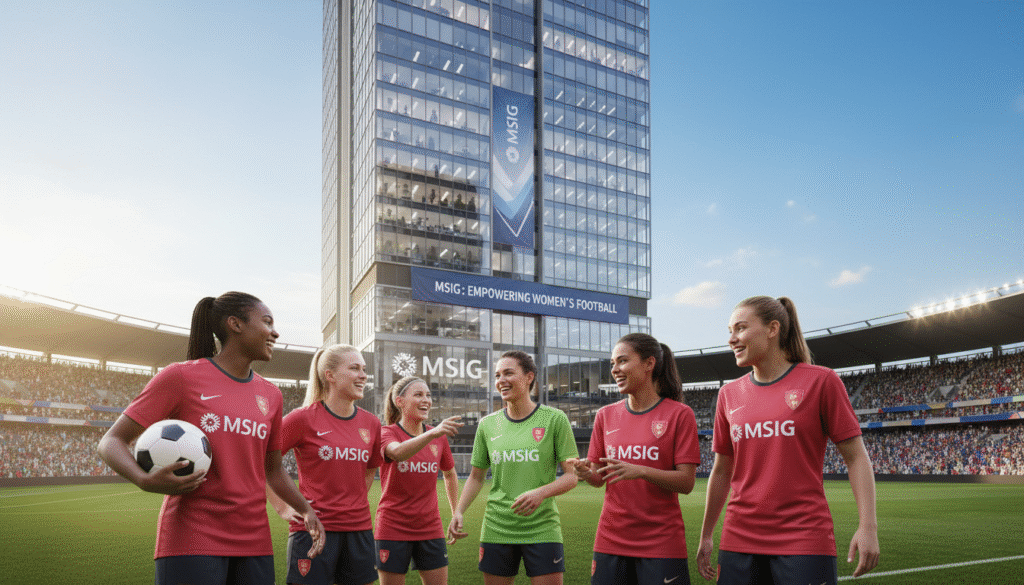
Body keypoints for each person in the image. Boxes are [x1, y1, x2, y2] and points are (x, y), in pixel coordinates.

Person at [97, 292, 324, 585]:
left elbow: (273, 469)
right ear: (235, 324)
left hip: (254, 540)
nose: (275, 332)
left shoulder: (272, 395)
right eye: (267, 322)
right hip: (192, 537)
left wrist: (307, 510)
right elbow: (111, 441)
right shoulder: (180, 377)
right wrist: (144, 480)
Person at [696, 296, 880, 584]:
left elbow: (856, 457)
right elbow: (721, 470)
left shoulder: (822, 381)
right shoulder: (728, 395)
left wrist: (868, 527)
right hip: (738, 539)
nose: (732, 339)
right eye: (729, 331)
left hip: (804, 538)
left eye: (741, 328)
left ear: (773, 329)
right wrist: (707, 535)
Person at [570, 333, 701, 585]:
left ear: (649, 364)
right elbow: (599, 478)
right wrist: (587, 473)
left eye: (622, 361)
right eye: (612, 364)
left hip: (662, 543)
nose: (615, 370)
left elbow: (686, 483)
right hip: (610, 540)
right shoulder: (605, 416)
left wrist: (640, 470)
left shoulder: (679, 414)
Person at [447, 350, 579, 585]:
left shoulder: (555, 419)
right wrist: (459, 511)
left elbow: (571, 477)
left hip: (542, 527)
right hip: (497, 527)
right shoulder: (488, 424)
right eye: (497, 375)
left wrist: (541, 493)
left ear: (529, 377)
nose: (501, 380)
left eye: (509, 373)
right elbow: (477, 477)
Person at [267, 344, 383, 585]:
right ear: (329, 375)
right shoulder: (301, 418)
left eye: (364, 369)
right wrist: (283, 508)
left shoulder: (371, 423)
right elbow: (263, 464)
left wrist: (352, 502)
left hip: (359, 530)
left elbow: (370, 468)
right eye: (354, 368)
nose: (363, 375)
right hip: (314, 530)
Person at [375, 376, 463, 585]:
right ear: (400, 401)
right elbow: (397, 453)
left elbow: (450, 474)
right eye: (418, 394)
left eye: (428, 395)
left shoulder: (437, 436)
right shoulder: (387, 433)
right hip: (392, 527)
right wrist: (432, 434)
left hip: (430, 527)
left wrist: (455, 512)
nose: (426, 400)